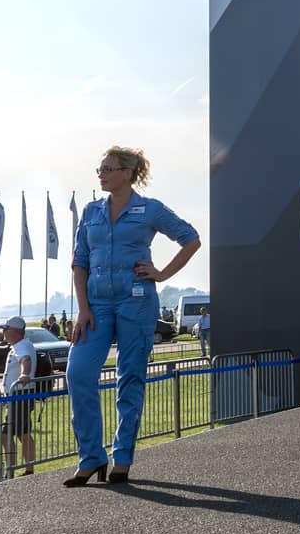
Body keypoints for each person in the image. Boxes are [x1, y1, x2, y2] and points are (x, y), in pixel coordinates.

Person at [65, 145, 200, 486]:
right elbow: (79, 262)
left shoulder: (149, 209)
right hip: (95, 306)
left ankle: (121, 456)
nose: (101, 174)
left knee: (130, 378)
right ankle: (91, 457)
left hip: (135, 302)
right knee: (78, 373)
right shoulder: (91, 211)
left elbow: (190, 239)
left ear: (128, 173)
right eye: (100, 169)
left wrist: (163, 274)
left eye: (108, 168)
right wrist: (82, 308)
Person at [0, 317, 36, 482]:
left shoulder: (21, 346)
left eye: (6, 329)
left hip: (19, 396)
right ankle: (26, 469)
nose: (4, 332)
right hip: (19, 396)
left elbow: (25, 360)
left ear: (15, 331)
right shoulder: (21, 344)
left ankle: (12, 472)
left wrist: (24, 374)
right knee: (23, 433)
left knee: (7, 435)